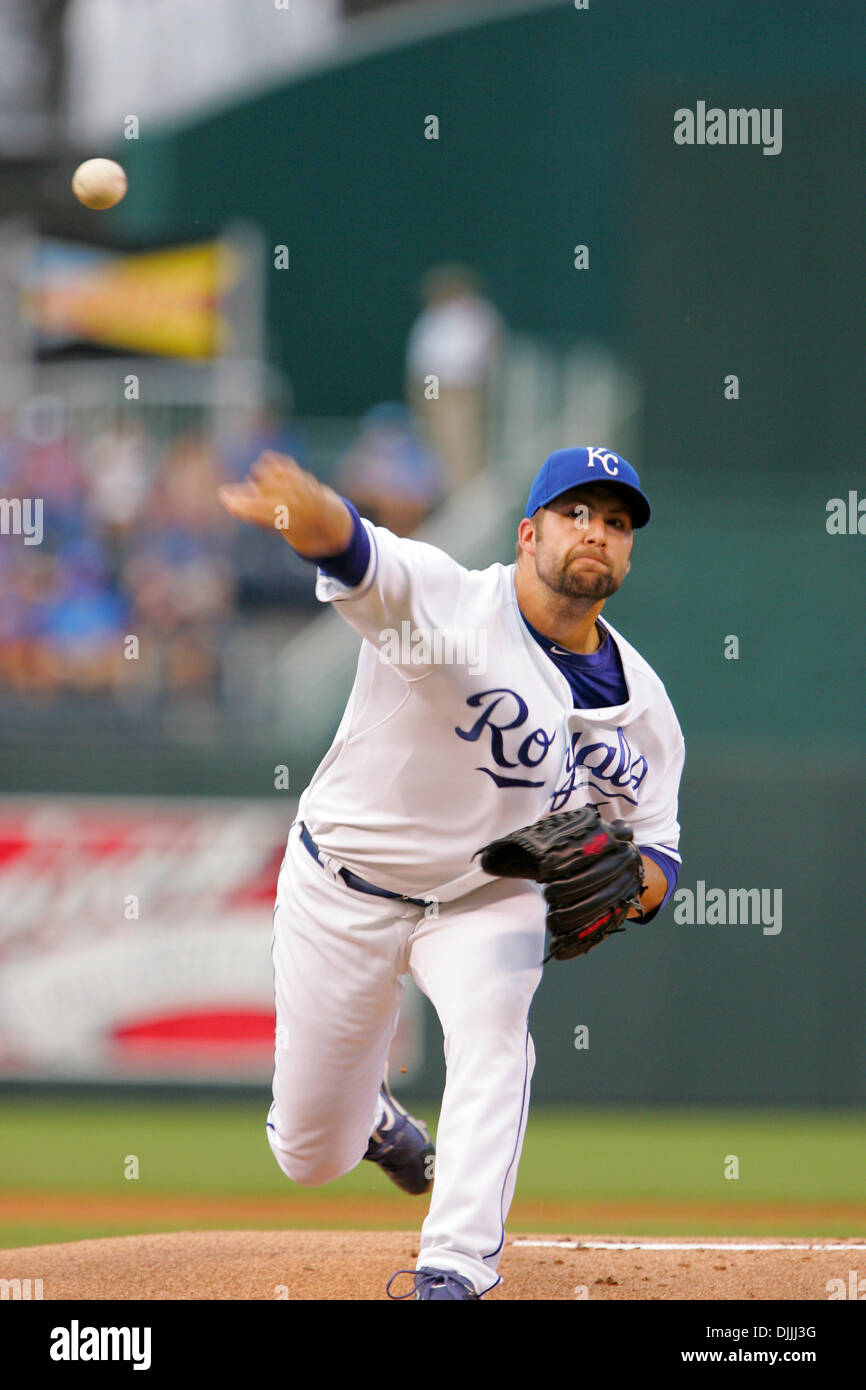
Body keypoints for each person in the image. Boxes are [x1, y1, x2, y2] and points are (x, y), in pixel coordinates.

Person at [218, 445, 685, 1300]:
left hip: (485, 895)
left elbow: (657, 854)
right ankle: (371, 1122)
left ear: (628, 551)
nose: (597, 532)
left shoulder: (646, 706)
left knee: (498, 1038)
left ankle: (455, 1270)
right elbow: (352, 549)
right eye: (576, 513)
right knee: (308, 1156)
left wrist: (631, 890)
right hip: (343, 884)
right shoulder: (443, 602)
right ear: (527, 531)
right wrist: (304, 506)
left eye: (617, 523)